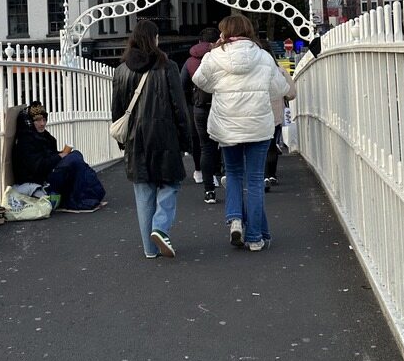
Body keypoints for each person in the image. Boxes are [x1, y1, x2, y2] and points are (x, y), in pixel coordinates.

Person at [193, 14, 291, 251]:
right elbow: (280, 88)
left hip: (227, 125)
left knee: (234, 174)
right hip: (257, 125)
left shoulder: (215, 56)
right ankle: (256, 237)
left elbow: (199, 81)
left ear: (224, 33)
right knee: (256, 180)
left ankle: (236, 219)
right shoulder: (264, 57)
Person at [111, 19, 192, 259]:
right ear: (154, 39)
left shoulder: (121, 70)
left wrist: (122, 142)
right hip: (165, 135)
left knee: (143, 191)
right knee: (171, 182)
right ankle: (160, 226)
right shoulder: (167, 66)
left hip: (136, 139)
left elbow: (117, 109)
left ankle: (149, 248)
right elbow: (179, 106)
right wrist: (186, 140)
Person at [12, 101, 106, 213]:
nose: (42, 124)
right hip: (41, 180)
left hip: (48, 174)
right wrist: (60, 156)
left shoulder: (42, 136)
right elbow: (38, 167)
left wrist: (60, 155)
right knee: (75, 159)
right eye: (37, 120)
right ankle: (83, 198)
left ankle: (88, 196)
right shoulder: (26, 141)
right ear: (29, 123)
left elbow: (48, 157)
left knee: (76, 156)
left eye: (44, 120)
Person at [181, 27, 222, 203]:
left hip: (199, 107)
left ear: (199, 41)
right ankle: (220, 173)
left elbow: (182, 85)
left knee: (204, 145)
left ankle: (207, 185)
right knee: (223, 141)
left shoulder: (190, 61)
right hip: (222, 105)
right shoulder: (220, 57)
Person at [258, 35, 297, 191]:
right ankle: (271, 175)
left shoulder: (251, 71)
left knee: (259, 145)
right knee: (272, 144)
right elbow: (291, 93)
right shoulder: (279, 70)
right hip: (275, 113)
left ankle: (261, 175)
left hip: (256, 112)